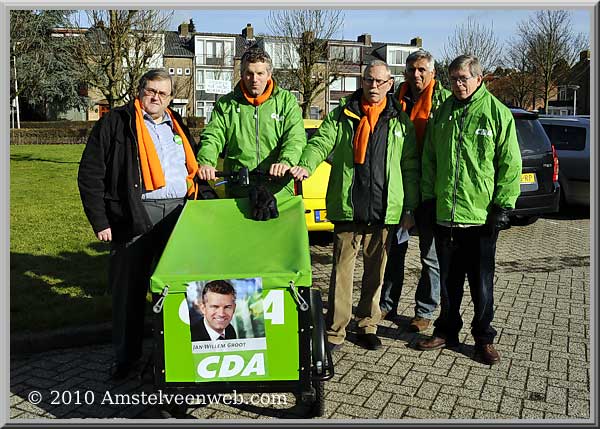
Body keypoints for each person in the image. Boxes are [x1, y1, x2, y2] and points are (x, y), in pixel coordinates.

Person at [78, 69, 202, 380]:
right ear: (140, 91)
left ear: (171, 98)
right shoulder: (116, 123)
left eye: (163, 93)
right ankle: (125, 358)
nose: (156, 98)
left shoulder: (177, 124)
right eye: (151, 91)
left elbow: (191, 167)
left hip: (179, 213)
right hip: (135, 213)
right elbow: (91, 173)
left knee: (178, 288)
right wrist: (101, 220)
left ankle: (177, 355)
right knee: (129, 291)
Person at [290, 60, 420, 351]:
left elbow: (410, 166)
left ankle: (366, 325)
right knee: (341, 271)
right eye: (368, 80)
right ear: (362, 82)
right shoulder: (342, 114)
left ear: (390, 85)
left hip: (384, 209)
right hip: (348, 205)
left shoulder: (401, 122)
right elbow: (320, 143)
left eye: (379, 82)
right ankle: (336, 330)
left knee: (376, 273)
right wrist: (306, 165)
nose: (373, 86)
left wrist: (410, 208)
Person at [416, 55, 522, 365]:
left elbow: (510, 164)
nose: (458, 84)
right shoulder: (443, 113)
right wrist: (427, 199)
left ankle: (483, 338)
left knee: (481, 284)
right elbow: (430, 160)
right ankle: (447, 329)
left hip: (480, 218)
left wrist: (503, 205)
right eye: (453, 79)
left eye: (463, 78)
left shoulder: (497, 114)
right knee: (449, 281)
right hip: (446, 215)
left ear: (478, 79)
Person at [379, 50, 451, 333]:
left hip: (430, 189)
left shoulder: (443, 101)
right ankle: (387, 304)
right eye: (411, 69)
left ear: (432, 72)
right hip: (399, 186)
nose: (416, 74)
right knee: (394, 250)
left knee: (430, 256)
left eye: (422, 69)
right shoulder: (394, 101)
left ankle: (424, 311)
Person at [196, 47, 306, 200]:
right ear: (242, 74)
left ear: (269, 75)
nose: (255, 79)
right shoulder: (227, 104)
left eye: (260, 73)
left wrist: (285, 162)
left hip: (278, 190)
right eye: (249, 73)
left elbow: (295, 138)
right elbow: (213, 136)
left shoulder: (286, 102)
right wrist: (206, 162)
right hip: (239, 190)